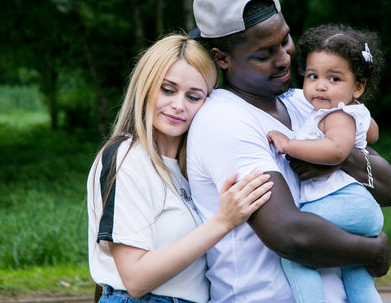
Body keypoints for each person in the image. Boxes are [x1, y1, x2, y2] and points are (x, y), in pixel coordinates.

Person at [186, 0, 391, 303]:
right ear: (221, 58)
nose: (284, 58)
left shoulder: (306, 101)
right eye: (264, 53)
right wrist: (372, 250)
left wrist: (339, 155)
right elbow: (289, 235)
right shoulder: (223, 120)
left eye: (285, 40)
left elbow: (388, 189)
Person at [87, 33, 274, 303]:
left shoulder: (186, 172)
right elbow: (135, 278)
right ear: (146, 86)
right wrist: (222, 221)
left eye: (194, 97)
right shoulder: (127, 157)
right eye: (167, 89)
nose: (178, 105)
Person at [266, 24, 385, 303]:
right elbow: (373, 133)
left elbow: (336, 150)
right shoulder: (352, 111)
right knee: (354, 270)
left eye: (334, 79)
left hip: (342, 201)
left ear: (358, 86)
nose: (320, 85)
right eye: (312, 76)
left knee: (296, 254)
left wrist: (288, 144)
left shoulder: (336, 115)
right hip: (357, 206)